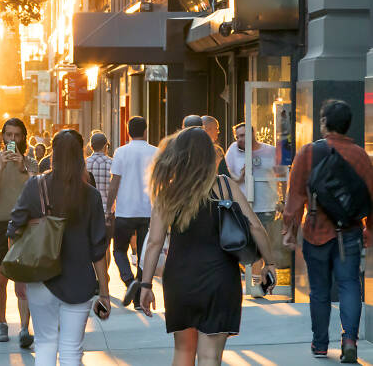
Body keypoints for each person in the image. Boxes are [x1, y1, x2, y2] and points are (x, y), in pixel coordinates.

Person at [139, 127, 276, 366]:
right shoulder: (225, 186)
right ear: (209, 155)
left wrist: (146, 284)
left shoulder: (168, 192)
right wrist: (269, 262)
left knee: (183, 352)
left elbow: (154, 243)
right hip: (220, 279)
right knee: (210, 356)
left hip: (180, 280)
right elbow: (255, 227)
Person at [8, 130, 109, 365]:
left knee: (44, 343)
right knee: (72, 349)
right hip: (79, 282)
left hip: (40, 277)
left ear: (53, 152)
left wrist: (18, 277)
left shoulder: (36, 186)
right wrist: (103, 291)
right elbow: (98, 248)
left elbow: (14, 228)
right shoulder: (91, 195)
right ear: (81, 154)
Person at [282, 100, 373, 362]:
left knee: (320, 290)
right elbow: (371, 198)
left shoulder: (308, 153)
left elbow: (295, 196)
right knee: (349, 285)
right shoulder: (360, 156)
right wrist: (369, 230)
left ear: (323, 123)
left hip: (316, 232)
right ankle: (349, 341)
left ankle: (320, 344)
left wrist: (289, 229)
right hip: (351, 233)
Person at [0, 117, 37, 346]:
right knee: (0, 280)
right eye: (9, 135)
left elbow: (38, 190)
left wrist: (22, 167)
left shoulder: (31, 163)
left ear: (23, 137)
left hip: (24, 228)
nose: (12, 140)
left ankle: (24, 328)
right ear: (2, 136)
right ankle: (2, 323)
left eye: (17, 135)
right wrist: (3, 165)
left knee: (23, 281)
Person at [106, 116, 157, 310]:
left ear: (128, 132)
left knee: (119, 250)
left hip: (125, 211)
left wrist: (109, 208)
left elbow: (114, 183)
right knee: (145, 254)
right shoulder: (155, 152)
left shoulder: (121, 152)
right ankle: (138, 298)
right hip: (148, 211)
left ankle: (129, 282)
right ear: (146, 131)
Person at [224, 123, 278, 228]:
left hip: (265, 207)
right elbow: (225, 172)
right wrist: (239, 178)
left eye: (243, 135)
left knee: (264, 240)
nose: (239, 139)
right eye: (237, 137)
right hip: (242, 206)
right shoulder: (233, 149)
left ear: (253, 134)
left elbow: (282, 175)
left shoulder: (270, 151)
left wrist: (282, 201)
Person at [86, 132, 112, 215]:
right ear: (105, 146)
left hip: (89, 211)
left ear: (91, 146)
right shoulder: (112, 163)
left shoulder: (84, 164)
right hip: (107, 211)